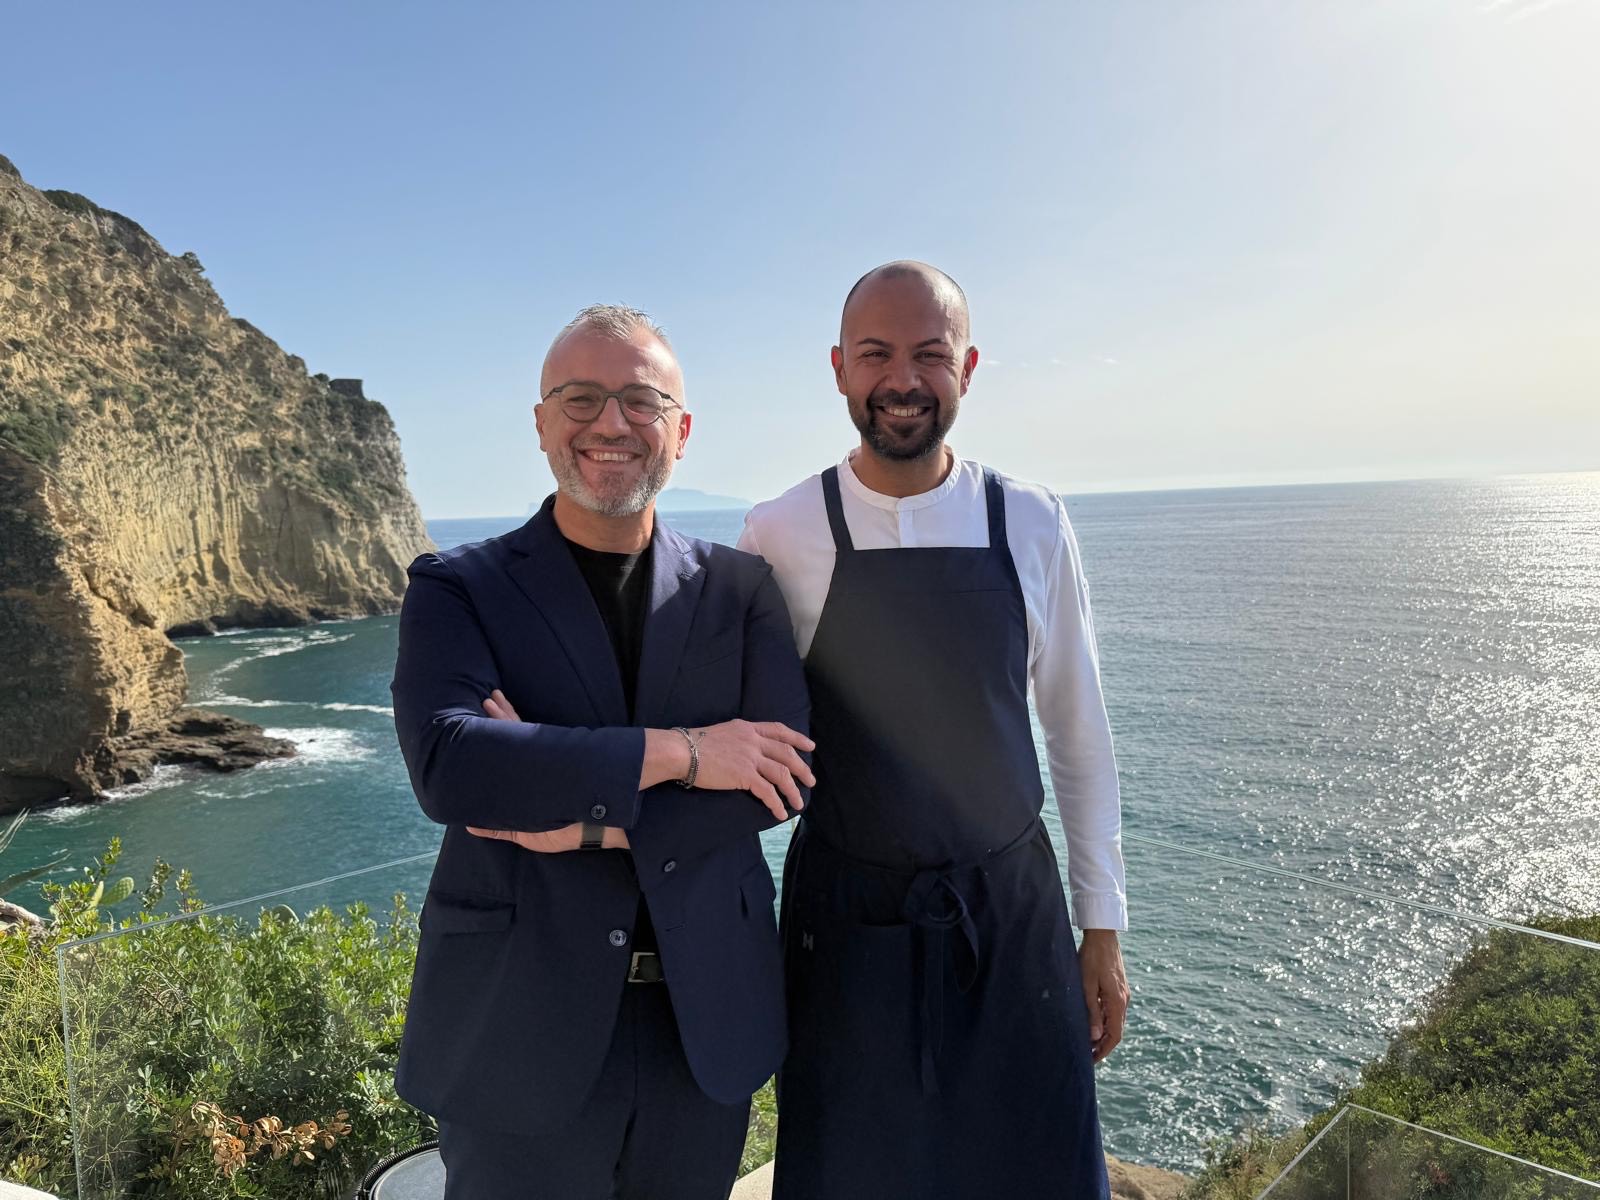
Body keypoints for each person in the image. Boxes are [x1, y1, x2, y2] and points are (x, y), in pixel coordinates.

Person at [390, 304, 814, 1200]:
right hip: (514, 1023)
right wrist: (688, 752)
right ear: (543, 423)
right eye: (581, 398)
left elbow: (778, 781)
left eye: (640, 400)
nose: (610, 423)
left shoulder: (741, 590)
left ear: (681, 431)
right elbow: (453, 767)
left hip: (701, 1025)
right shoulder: (455, 587)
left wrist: (572, 820)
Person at [739, 262, 1130, 1199]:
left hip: (1012, 912)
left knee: (1036, 1169)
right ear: (839, 368)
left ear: (969, 368)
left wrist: (1101, 928)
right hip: (845, 921)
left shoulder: (1032, 521)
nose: (902, 380)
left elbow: (1077, 731)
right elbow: (724, 724)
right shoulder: (781, 530)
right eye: (876, 354)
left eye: (930, 354)